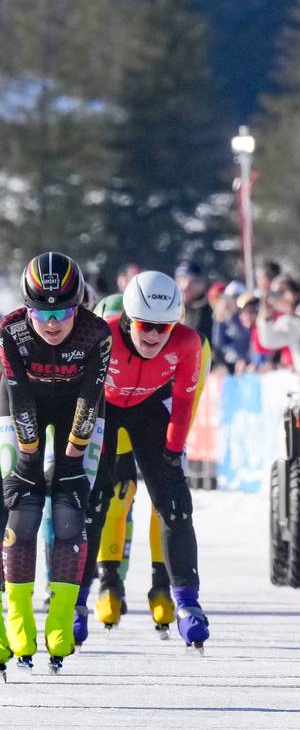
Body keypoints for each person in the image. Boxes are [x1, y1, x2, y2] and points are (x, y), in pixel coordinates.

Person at [78, 271, 209, 650]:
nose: (153, 335)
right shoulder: (101, 333)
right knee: (94, 504)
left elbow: (183, 402)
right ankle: (77, 598)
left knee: (175, 504)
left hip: (149, 408)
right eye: (145, 326)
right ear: (129, 321)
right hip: (102, 408)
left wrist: (172, 451)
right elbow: (79, 394)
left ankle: (186, 601)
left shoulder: (187, 343)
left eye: (164, 327)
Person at [0, 253, 111, 673]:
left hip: (78, 409)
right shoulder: (9, 329)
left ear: (79, 305)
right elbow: (18, 395)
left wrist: (72, 459)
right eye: (41, 312)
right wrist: (28, 460)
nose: (51, 323)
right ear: (26, 309)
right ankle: (15, 619)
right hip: (19, 407)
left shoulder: (96, 332)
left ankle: (61, 621)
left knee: (69, 512)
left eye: (63, 311)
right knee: (20, 510)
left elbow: (90, 398)